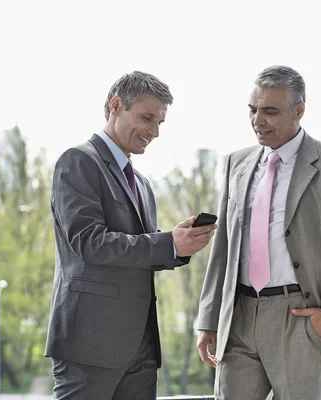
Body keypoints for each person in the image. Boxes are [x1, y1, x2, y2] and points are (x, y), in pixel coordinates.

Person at [195, 65, 321, 399]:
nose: (258, 120)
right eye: (253, 110)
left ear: (299, 110)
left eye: (270, 111)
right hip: (238, 316)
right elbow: (224, 248)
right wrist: (208, 318)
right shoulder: (235, 164)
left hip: (299, 318)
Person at [45, 70, 217, 400]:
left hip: (140, 349)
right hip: (90, 345)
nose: (153, 131)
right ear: (115, 105)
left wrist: (178, 245)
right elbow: (89, 242)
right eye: (146, 118)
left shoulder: (142, 183)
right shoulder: (78, 161)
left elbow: (142, 252)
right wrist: (166, 242)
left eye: (160, 123)